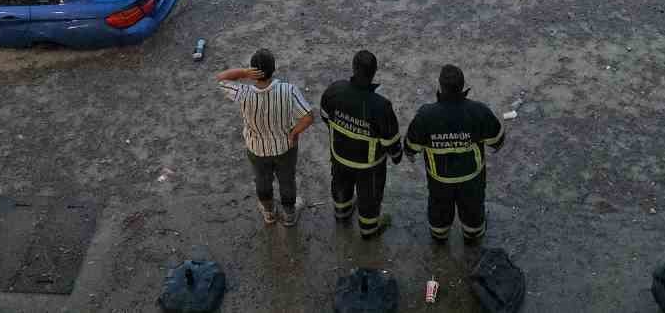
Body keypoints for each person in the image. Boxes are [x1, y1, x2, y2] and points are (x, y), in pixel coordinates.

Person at [404, 65, 504, 245]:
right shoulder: (478, 110)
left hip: (439, 178)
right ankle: (472, 238)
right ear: (463, 86)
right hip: (471, 177)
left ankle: (439, 237)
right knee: (473, 210)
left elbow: (411, 146)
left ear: (440, 86)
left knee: (439, 210)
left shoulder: (426, 115)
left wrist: (410, 153)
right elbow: (497, 140)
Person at [216, 49, 315, 227]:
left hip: (257, 149)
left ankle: (269, 213)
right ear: (274, 69)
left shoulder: (243, 93)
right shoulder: (288, 90)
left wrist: (243, 72)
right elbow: (308, 117)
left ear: (253, 72)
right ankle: (289, 215)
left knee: (262, 180)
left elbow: (221, 78)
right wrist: (294, 133)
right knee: (287, 180)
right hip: (285, 147)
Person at [317, 50, 403, 239]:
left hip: (339, 156)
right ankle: (369, 230)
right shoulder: (380, 106)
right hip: (369, 166)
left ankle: (342, 214)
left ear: (354, 68)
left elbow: (324, 116)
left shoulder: (335, 90)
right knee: (369, 199)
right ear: (374, 72)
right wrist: (397, 157)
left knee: (341, 186)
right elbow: (391, 141)